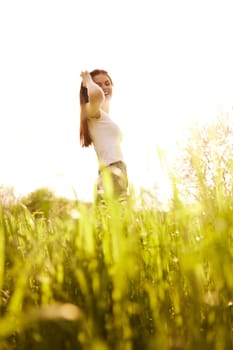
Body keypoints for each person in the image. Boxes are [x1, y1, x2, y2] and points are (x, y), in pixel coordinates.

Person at [79, 69, 128, 203]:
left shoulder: (102, 115)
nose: (104, 88)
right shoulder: (91, 110)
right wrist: (88, 81)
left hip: (116, 170)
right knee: (115, 218)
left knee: (112, 220)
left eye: (107, 83)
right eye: (98, 84)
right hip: (111, 170)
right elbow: (97, 97)